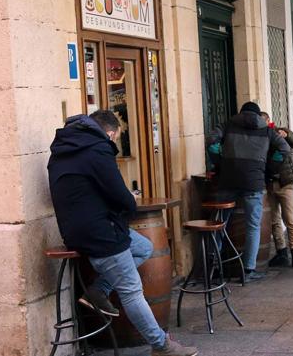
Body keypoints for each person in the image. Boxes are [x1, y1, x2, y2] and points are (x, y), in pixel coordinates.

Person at [47, 111, 198, 356]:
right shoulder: (97, 149)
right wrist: (130, 202)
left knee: (143, 247)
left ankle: (99, 290)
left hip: (76, 230)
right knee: (132, 291)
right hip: (100, 233)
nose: (113, 143)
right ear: (109, 133)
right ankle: (162, 346)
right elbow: (119, 194)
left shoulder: (63, 149)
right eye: (115, 139)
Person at [207, 102, 290, 282]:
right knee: (253, 226)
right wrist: (269, 168)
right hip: (254, 182)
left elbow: (211, 142)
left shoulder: (228, 125)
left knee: (220, 223)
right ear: (258, 114)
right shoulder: (267, 130)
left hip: (228, 181)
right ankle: (248, 270)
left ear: (241, 112)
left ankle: (213, 267)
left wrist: (220, 163)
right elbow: (284, 149)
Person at [259, 112, 293, 269]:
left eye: (263, 122)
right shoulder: (258, 136)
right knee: (274, 220)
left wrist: (287, 135)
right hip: (269, 183)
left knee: (290, 219)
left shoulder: (281, 131)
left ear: (269, 121)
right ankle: (281, 252)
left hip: (285, 183)